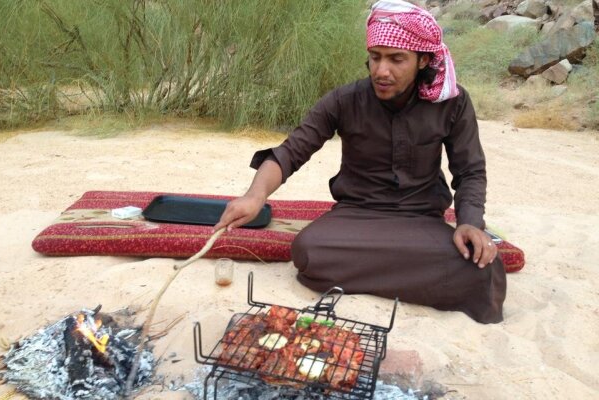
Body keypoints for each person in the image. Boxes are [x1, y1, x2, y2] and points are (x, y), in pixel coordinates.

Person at [214, 0, 506, 324]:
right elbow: (291, 151)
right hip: (355, 218)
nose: (382, 71)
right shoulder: (344, 99)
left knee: (484, 268)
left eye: (397, 59)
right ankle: (415, 279)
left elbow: (470, 171)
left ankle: (374, 275)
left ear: (423, 60)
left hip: (420, 219)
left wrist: (469, 223)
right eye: (375, 57)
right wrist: (255, 197)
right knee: (309, 251)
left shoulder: (453, 103)